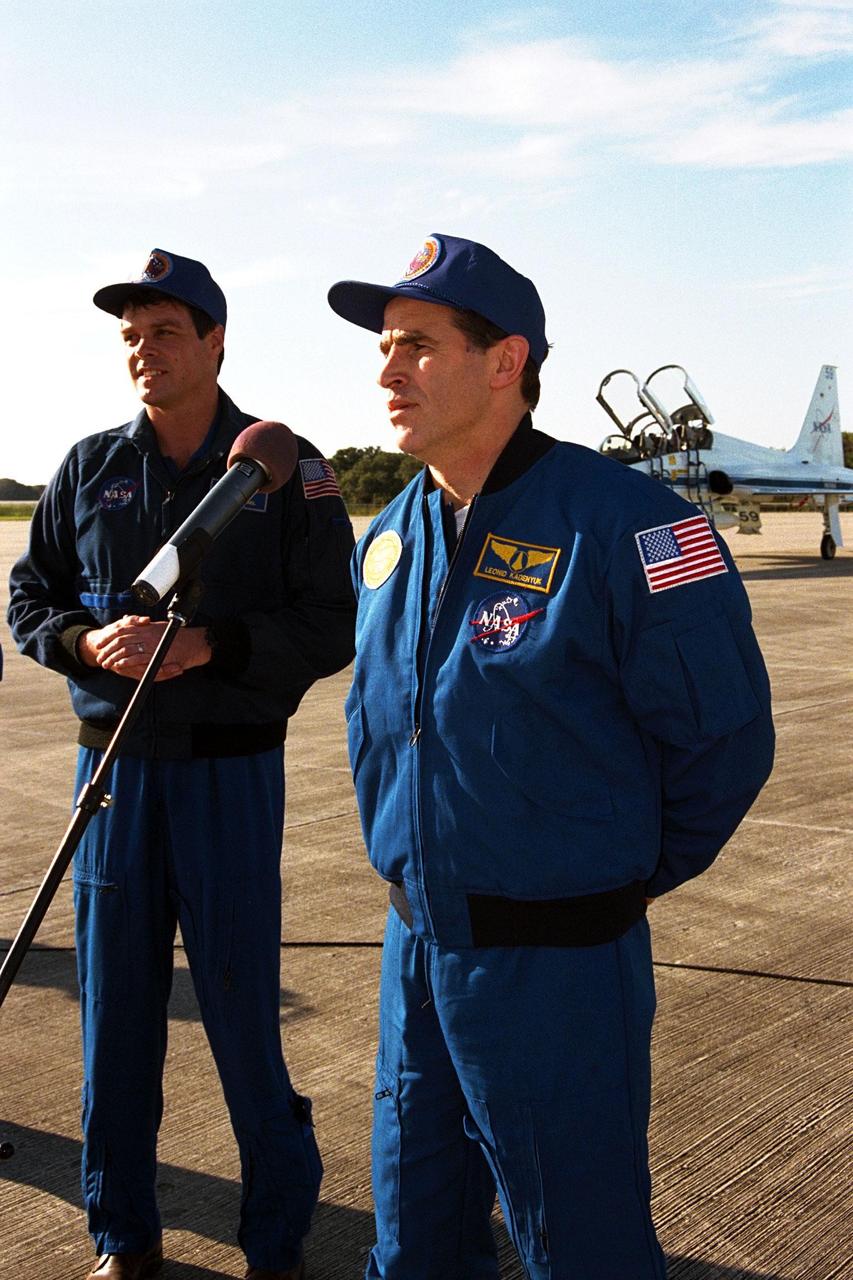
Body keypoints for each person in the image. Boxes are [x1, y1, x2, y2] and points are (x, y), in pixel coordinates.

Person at [327, 233, 774, 1279]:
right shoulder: (389, 533)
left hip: (560, 967)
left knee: (582, 1244)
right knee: (414, 1236)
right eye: (383, 348)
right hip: (417, 951)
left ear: (504, 361)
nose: (387, 372)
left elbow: (724, 742)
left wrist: (599, 878)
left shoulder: (631, 525)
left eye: (417, 346)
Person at [9, 248, 356, 1280]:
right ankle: (123, 1234)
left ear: (214, 340)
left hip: (228, 777)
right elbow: (31, 598)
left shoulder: (291, 472)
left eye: (164, 331)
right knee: (115, 1017)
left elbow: (331, 619)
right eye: (129, 335)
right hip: (111, 781)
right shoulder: (86, 467)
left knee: (244, 1014)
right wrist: (83, 642)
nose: (142, 351)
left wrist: (217, 646)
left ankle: (276, 1241)